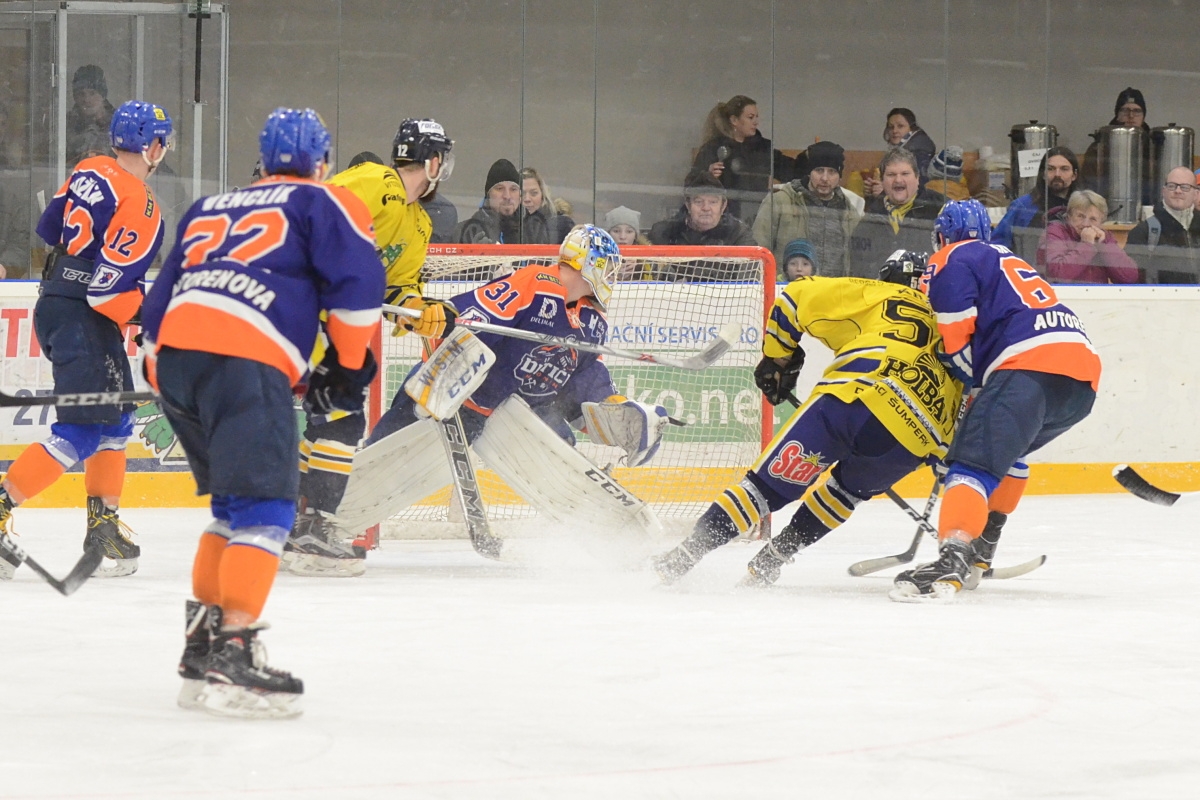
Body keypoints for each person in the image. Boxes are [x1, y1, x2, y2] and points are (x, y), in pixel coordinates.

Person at [140, 107, 383, 717]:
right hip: (245, 357)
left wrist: (167, 369)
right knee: (270, 509)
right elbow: (358, 292)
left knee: (231, 510)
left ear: (262, 157)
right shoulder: (322, 204)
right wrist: (346, 372)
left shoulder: (210, 207)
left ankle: (201, 647)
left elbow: (155, 309)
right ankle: (234, 655)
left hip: (177, 359)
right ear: (322, 162)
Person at [651, 252, 963, 587]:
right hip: (913, 440)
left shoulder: (883, 293)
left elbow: (793, 299)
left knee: (762, 489)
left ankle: (682, 557)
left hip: (855, 398)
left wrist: (778, 359)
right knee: (845, 493)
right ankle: (773, 558)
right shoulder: (960, 331)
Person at [890, 200, 1099, 602]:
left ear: (941, 235)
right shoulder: (1006, 259)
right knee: (1007, 455)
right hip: (1081, 375)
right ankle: (982, 549)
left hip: (1029, 365)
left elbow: (955, 343)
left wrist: (971, 390)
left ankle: (951, 556)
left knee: (972, 464)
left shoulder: (951, 256)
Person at [0, 100, 173, 582]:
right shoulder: (143, 205)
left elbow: (50, 230)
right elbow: (107, 293)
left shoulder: (90, 167)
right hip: (86, 317)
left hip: (56, 303)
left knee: (116, 420)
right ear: (154, 146)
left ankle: (103, 529)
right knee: (81, 430)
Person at [283, 121, 454, 578]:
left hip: (333, 324)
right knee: (341, 417)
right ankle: (312, 528)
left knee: (329, 418)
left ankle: (296, 522)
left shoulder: (419, 224)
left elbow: (397, 291)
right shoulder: (378, 181)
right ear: (433, 161)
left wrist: (421, 311)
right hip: (301, 309)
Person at [753, 140, 864, 276]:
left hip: (834, 292)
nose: (825, 178)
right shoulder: (780, 202)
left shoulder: (848, 210)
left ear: (839, 176)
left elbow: (858, 258)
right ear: (809, 172)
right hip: (787, 291)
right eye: (819, 170)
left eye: (832, 172)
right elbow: (757, 252)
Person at [692, 95, 794, 222]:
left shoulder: (763, 148)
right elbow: (691, 184)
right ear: (734, 120)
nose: (756, 122)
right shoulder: (714, 148)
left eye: (757, 117)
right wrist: (707, 175)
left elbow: (789, 169)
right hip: (723, 217)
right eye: (750, 117)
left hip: (759, 214)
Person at [848, 148, 941, 279]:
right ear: (882, 181)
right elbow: (858, 267)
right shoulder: (869, 219)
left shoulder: (940, 210)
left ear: (917, 178)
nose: (898, 180)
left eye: (905, 174)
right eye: (891, 175)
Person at [993, 146, 1083, 262]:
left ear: (1074, 175)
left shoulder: (1083, 208)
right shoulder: (1023, 206)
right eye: (1050, 169)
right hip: (1028, 276)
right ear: (1043, 174)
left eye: (1064, 169)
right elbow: (998, 246)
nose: (1057, 174)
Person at [1037, 190, 1139, 284]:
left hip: (1097, 299)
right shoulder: (1054, 232)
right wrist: (1086, 246)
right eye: (1080, 216)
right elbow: (1056, 275)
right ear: (1069, 216)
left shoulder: (1104, 237)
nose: (1086, 224)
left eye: (1093, 219)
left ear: (1101, 223)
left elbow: (1129, 278)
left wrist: (1104, 246)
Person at [648, 170, 756, 255]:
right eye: (698, 202)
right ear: (688, 205)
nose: (706, 208)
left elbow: (749, 279)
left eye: (713, 202)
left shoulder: (738, 235)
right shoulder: (663, 233)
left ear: (723, 206)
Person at [1125, 166, 1200, 284]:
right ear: (1163, 191)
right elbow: (1132, 281)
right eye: (1172, 186)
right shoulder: (1142, 232)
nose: (1178, 191)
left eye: (1185, 187)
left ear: (1195, 194)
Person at [1082, 87, 1152, 205]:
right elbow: (1088, 185)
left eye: (1137, 111)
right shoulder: (1099, 147)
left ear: (1143, 116)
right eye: (1125, 110)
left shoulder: (1153, 147)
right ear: (1117, 114)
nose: (1131, 116)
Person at [457, 158, 549, 244]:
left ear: (520, 196)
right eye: (500, 188)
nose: (507, 196)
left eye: (513, 189)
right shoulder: (469, 230)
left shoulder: (535, 230)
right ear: (488, 195)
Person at [863, 108, 936, 196]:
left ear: (912, 129)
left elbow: (918, 190)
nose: (894, 131)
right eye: (891, 127)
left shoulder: (919, 153)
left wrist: (884, 191)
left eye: (900, 126)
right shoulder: (902, 151)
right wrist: (874, 188)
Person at [66, 65, 116, 167]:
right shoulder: (66, 124)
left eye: (92, 93)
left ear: (103, 95)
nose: (86, 100)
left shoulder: (118, 124)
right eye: (81, 94)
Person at [521, 167, 573, 243]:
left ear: (543, 195)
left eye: (534, 193)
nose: (527, 199)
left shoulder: (561, 224)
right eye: (521, 194)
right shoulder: (508, 226)